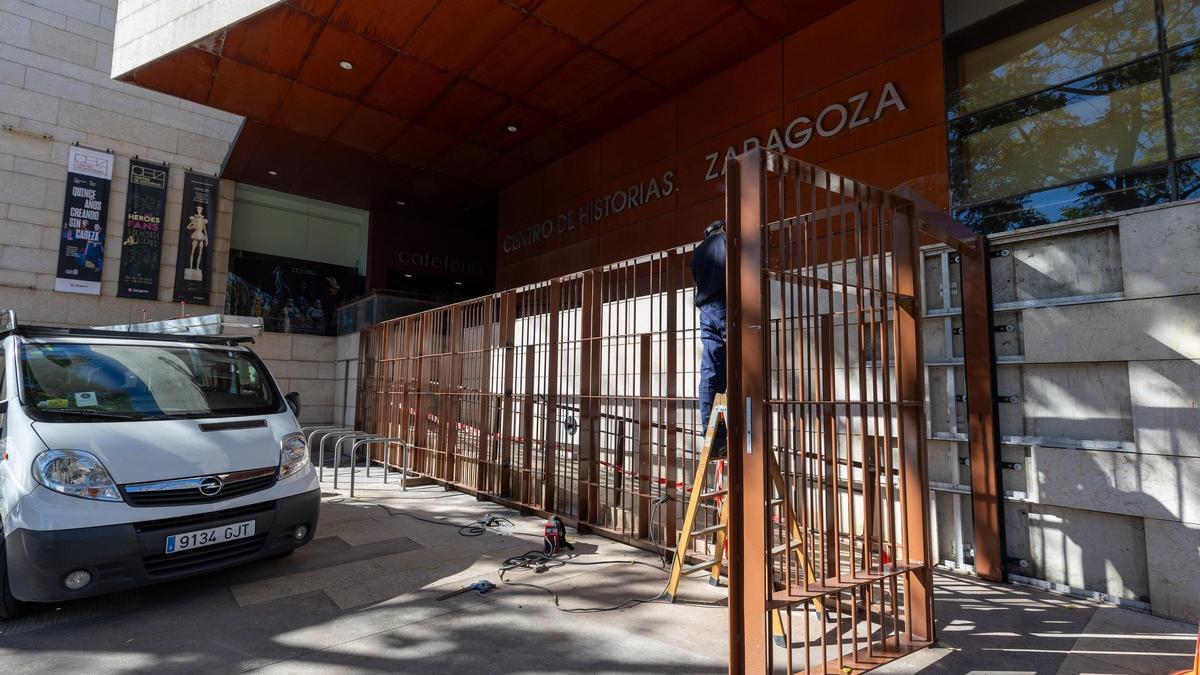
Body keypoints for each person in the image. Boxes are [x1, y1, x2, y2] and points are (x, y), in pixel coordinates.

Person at [692, 219, 727, 455]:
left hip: (706, 311)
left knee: (710, 371)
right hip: (727, 303)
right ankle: (747, 431)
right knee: (743, 362)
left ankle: (714, 438)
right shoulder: (727, 240)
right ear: (721, 229)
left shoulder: (697, 253)